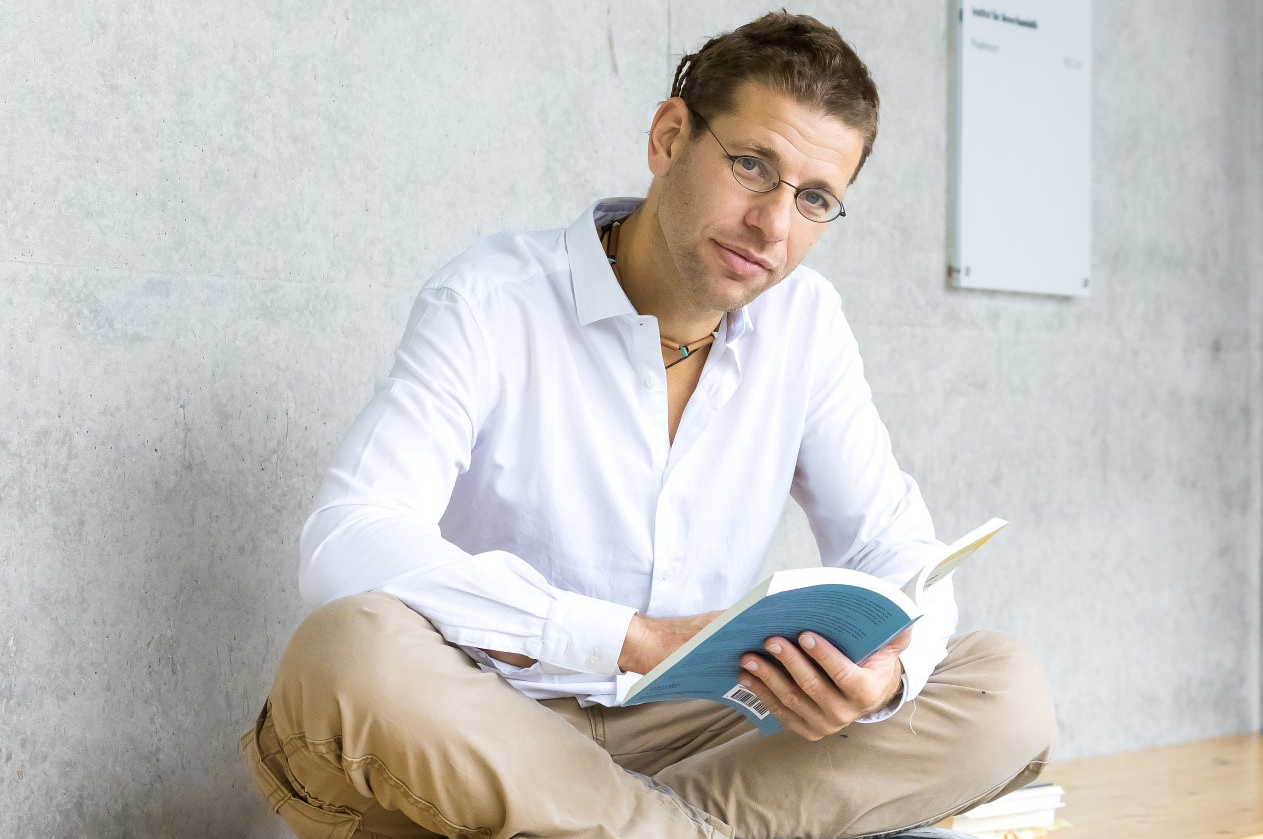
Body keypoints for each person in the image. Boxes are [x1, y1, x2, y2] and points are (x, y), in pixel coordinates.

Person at [242, 11, 1055, 839]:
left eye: (813, 199)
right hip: (491, 724)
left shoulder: (805, 324)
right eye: (752, 165)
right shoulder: (490, 299)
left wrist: (884, 676)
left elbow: (896, 547)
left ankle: (620, 827)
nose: (772, 226)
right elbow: (348, 540)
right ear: (669, 138)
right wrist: (625, 637)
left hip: (695, 738)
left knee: (1004, 686)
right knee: (348, 649)